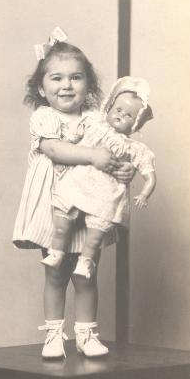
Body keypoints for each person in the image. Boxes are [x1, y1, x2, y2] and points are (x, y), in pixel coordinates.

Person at [13, 27, 134, 358]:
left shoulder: (97, 119)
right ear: (41, 87)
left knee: (86, 271)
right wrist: (95, 156)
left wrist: (124, 167)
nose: (66, 85)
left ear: (89, 85)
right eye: (56, 78)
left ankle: (85, 333)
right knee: (56, 269)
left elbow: (118, 147)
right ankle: (54, 333)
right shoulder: (44, 117)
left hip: (89, 202)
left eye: (76, 78)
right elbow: (55, 151)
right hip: (55, 203)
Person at [42, 77, 156, 279]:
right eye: (118, 109)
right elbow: (70, 140)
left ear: (135, 124)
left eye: (129, 115)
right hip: (79, 181)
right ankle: (56, 253)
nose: (120, 115)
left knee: (94, 236)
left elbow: (149, 174)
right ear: (110, 106)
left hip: (105, 192)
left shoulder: (133, 147)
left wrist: (145, 193)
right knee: (62, 224)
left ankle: (86, 261)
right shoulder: (94, 124)